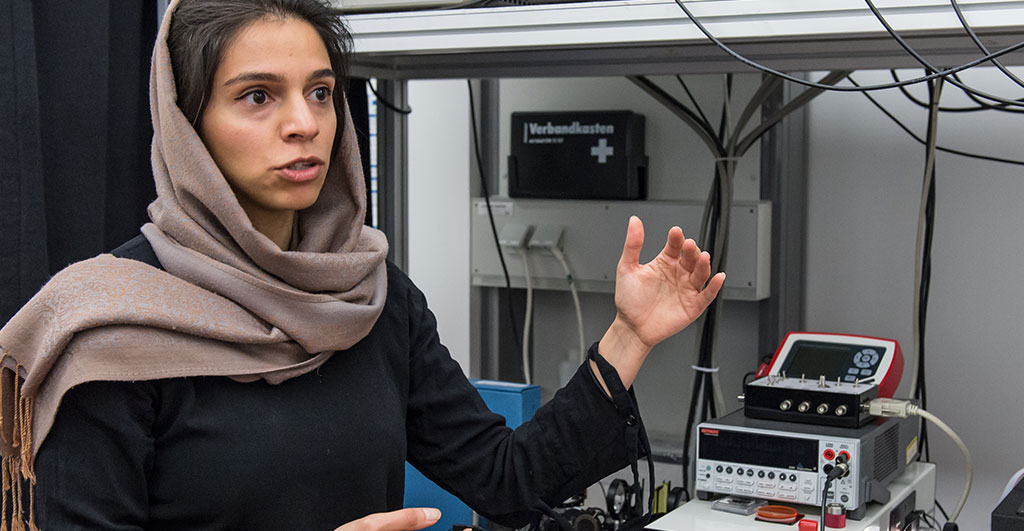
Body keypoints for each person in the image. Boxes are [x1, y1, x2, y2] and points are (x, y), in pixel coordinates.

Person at [0, 0, 725, 530]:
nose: (304, 123)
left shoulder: (371, 300)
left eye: (320, 92)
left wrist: (630, 335)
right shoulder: (110, 329)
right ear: (188, 123)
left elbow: (509, 479)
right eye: (258, 96)